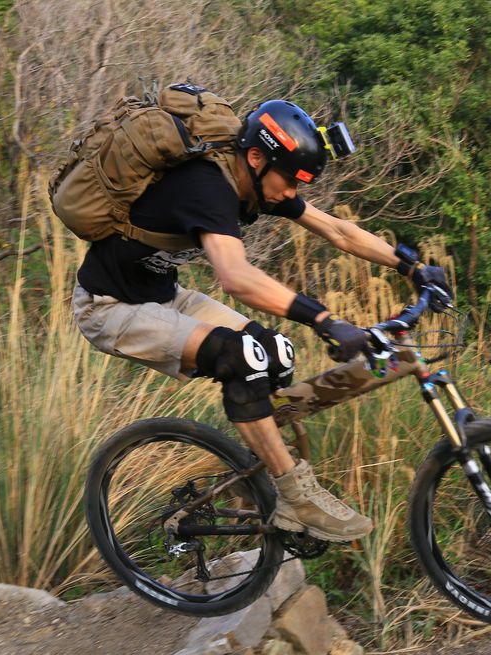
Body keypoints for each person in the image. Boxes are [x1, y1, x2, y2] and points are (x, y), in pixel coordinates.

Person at [71, 98, 451, 542]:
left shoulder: (255, 183)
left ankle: (254, 478)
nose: (291, 193)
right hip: (109, 308)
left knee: (276, 353)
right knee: (242, 357)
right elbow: (236, 277)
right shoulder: (207, 186)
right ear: (255, 157)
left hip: (165, 296)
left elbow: (338, 230)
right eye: (289, 181)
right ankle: (295, 495)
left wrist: (411, 267)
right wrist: (324, 319)